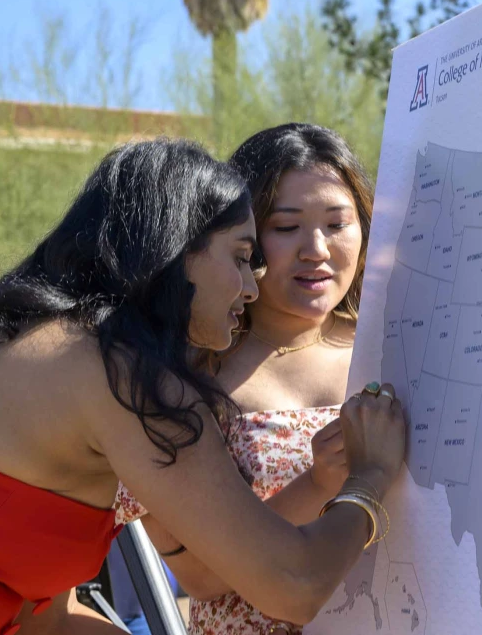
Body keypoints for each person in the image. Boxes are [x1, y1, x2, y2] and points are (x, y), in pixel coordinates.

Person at [0, 138, 405, 634]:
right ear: (177, 252)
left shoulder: (23, 339)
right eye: (243, 255)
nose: (252, 286)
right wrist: (370, 475)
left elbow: (49, 618)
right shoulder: (124, 377)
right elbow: (294, 586)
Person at [75, 122, 373, 635]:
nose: (316, 249)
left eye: (336, 223)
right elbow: (200, 577)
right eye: (286, 227)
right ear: (240, 237)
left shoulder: (402, 345)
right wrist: (319, 482)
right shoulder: (180, 377)